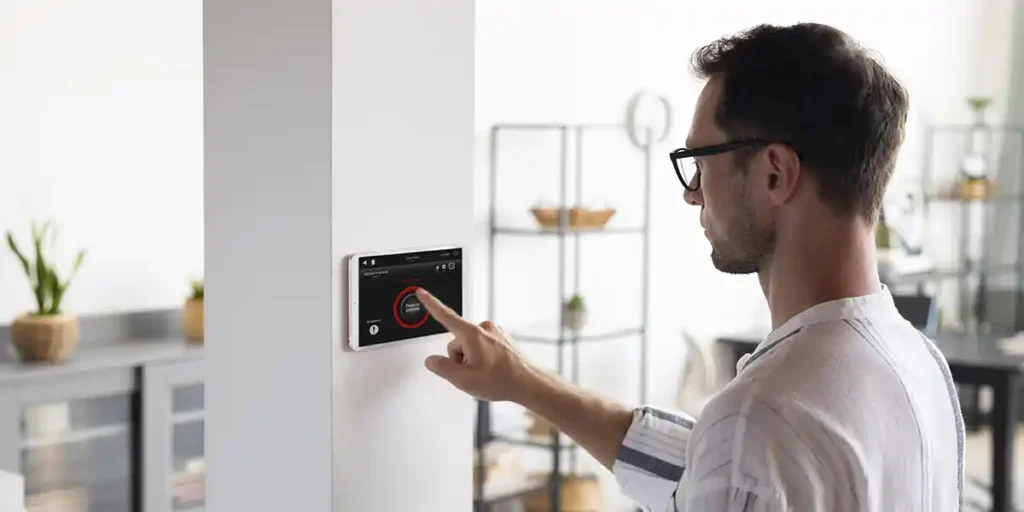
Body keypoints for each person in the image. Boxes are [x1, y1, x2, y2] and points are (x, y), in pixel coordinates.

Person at [416, 22, 964, 511]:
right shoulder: (920, 366)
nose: (693, 193)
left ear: (775, 173)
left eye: (701, 162)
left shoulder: (759, 417)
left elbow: (737, 456)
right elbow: (712, 467)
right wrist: (523, 380)